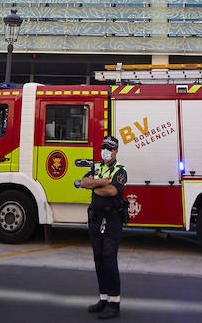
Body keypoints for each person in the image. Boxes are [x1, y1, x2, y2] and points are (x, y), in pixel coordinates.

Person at [79, 135, 127, 320]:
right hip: (96, 219)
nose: (105, 151)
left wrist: (93, 185)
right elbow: (83, 182)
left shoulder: (120, 171)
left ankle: (114, 303)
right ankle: (103, 299)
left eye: (109, 148)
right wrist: (101, 182)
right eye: (104, 147)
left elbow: (113, 191)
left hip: (112, 220)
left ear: (115, 151)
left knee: (109, 259)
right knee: (98, 259)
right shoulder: (96, 167)